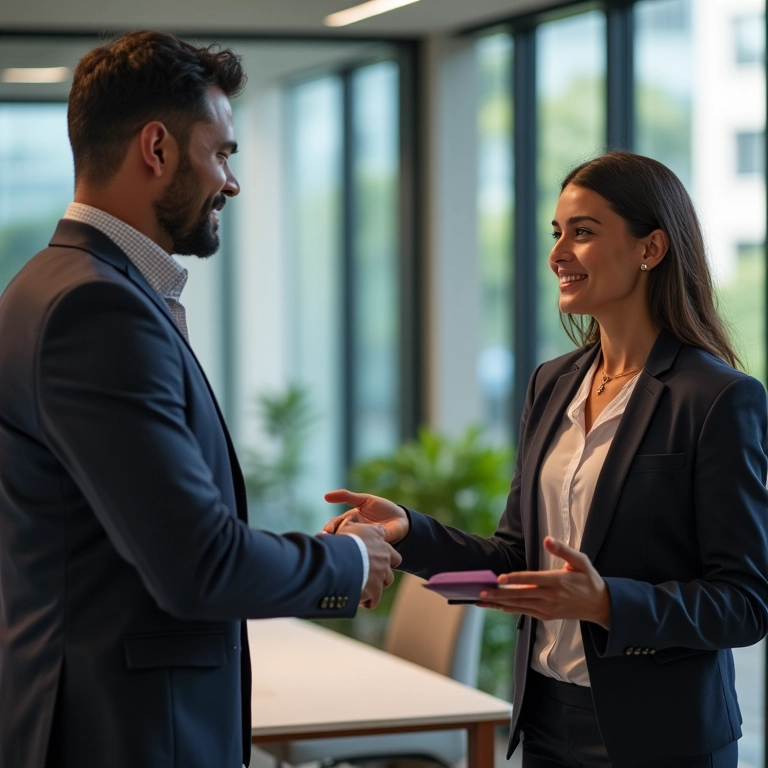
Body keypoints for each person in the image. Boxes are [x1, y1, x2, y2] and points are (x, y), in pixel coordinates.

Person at [0, 30, 401, 768]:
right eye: (221, 154)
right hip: (130, 734)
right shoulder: (96, 310)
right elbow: (199, 564)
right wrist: (345, 560)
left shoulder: (46, 286)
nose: (232, 182)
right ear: (157, 148)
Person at [323, 151, 768, 768]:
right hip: (547, 723)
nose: (558, 253)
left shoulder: (717, 398)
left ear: (651, 248)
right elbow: (515, 556)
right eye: (557, 233)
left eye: (582, 232)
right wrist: (407, 529)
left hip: (663, 738)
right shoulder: (552, 383)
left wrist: (606, 602)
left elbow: (744, 603)